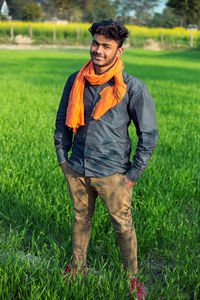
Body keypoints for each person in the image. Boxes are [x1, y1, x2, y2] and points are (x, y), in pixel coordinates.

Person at [54, 19, 158, 299]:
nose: (98, 50)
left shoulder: (133, 88)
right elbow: (63, 122)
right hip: (77, 167)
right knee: (80, 220)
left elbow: (148, 135)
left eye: (106, 46)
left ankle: (132, 278)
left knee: (123, 226)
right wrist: (63, 159)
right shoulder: (75, 80)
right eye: (95, 44)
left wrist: (132, 175)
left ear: (118, 51)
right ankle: (77, 267)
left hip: (113, 173)